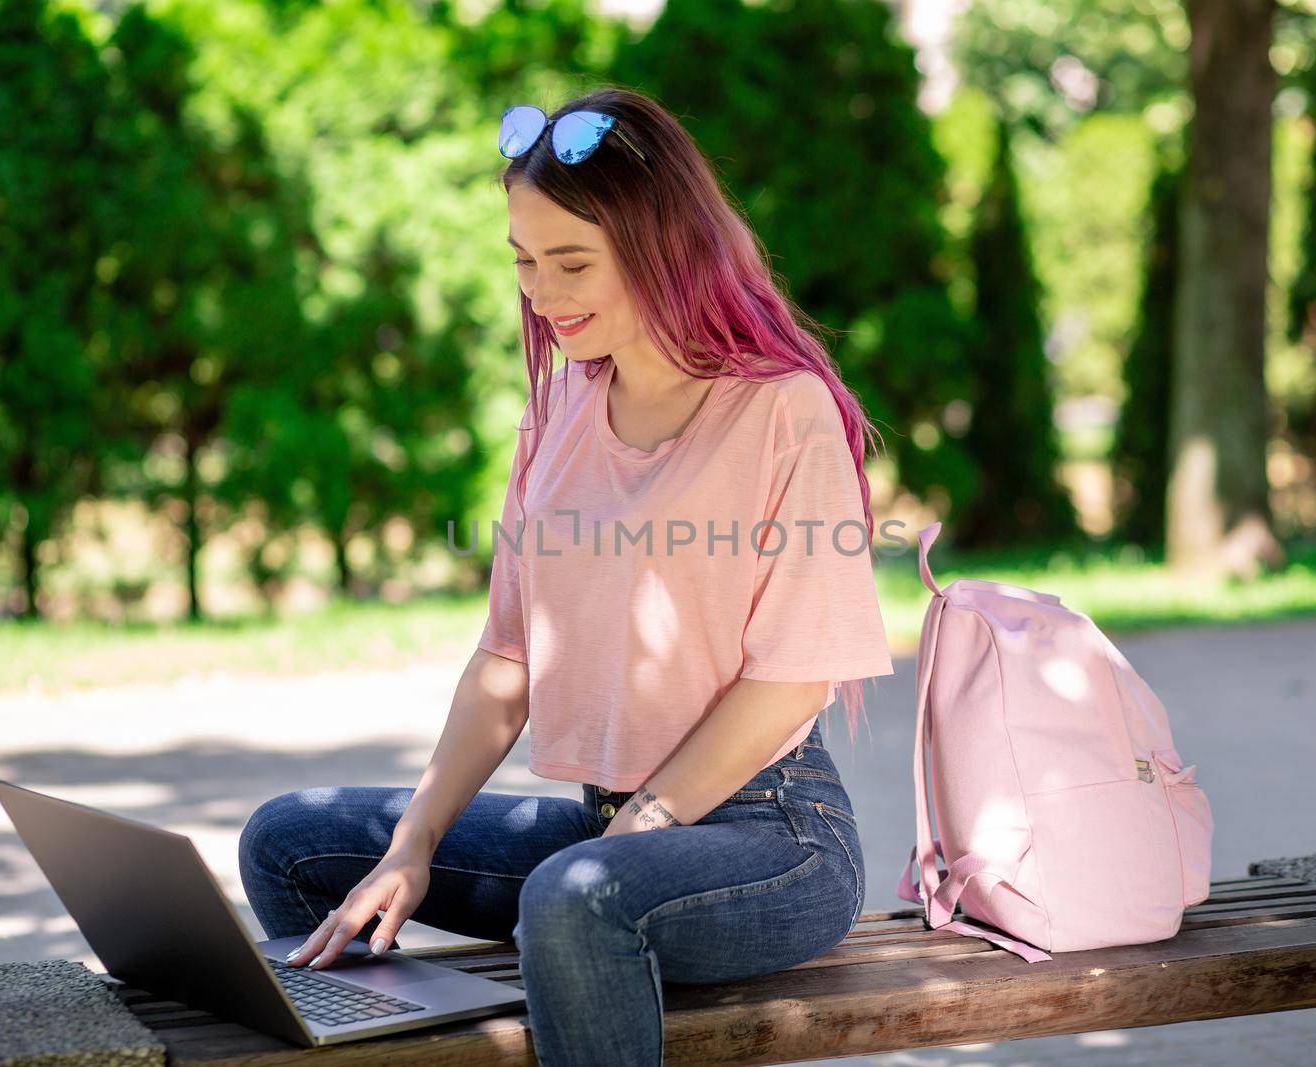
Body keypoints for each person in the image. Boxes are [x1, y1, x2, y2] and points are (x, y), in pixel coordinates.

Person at [239, 85, 895, 1065]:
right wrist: (413, 843)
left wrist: (635, 831)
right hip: (605, 829)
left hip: (773, 837)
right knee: (291, 839)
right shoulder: (557, 413)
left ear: (663, 245)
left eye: (572, 262)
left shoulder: (781, 413)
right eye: (525, 262)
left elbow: (793, 677)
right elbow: (506, 654)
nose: (542, 295)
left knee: (576, 894)